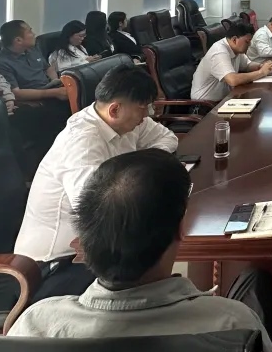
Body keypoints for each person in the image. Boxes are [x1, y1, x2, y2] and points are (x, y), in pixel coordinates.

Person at [9, 149, 272, 352]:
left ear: (85, 237)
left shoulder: (35, 325)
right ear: (180, 230)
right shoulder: (230, 324)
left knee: (253, 281)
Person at [14, 67, 178, 298]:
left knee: (162, 264)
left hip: (102, 245)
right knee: (155, 279)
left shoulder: (128, 120)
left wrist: (143, 164)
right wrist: (140, 171)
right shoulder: (81, 141)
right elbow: (95, 210)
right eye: (144, 108)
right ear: (115, 109)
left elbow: (167, 138)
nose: (147, 115)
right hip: (56, 263)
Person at [0, 19, 71, 170]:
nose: (34, 34)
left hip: (50, 90)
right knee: (57, 115)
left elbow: (48, 68)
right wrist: (53, 92)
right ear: (18, 40)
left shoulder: (32, 50)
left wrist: (56, 82)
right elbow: (16, 94)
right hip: (31, 101)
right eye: (30, 31)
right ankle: (51, 164)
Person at [190, 22, 272, 104]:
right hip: (205, 105)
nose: (250, 44)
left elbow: (247, 65)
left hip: (224, 99)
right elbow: (232, 80)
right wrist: (261, 72)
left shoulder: (236, 49)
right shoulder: (219, 51)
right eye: (247, 41)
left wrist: (262, 66)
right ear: (234, 39)